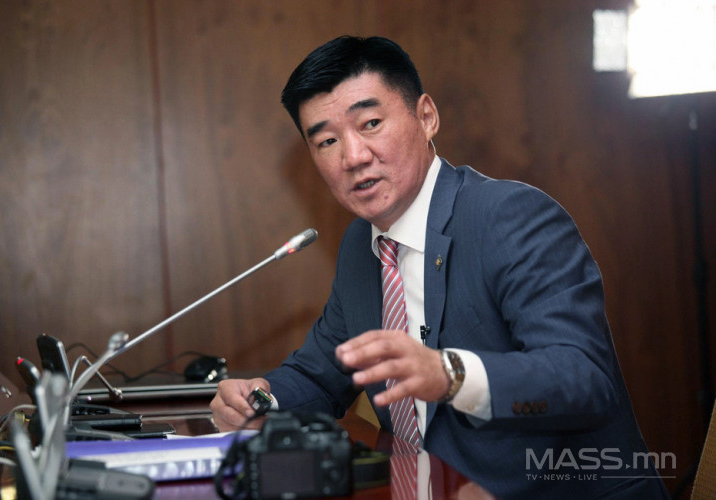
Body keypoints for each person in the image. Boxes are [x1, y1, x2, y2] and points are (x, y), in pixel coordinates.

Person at [210, 35, 669, 498]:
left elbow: (582, 377)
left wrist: (450, 374)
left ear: (426, 117)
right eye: (327, 141)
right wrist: (260, 397)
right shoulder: (360, 245)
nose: (353, 156)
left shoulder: (510, 216)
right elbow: (320, 374)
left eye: (370, 124)